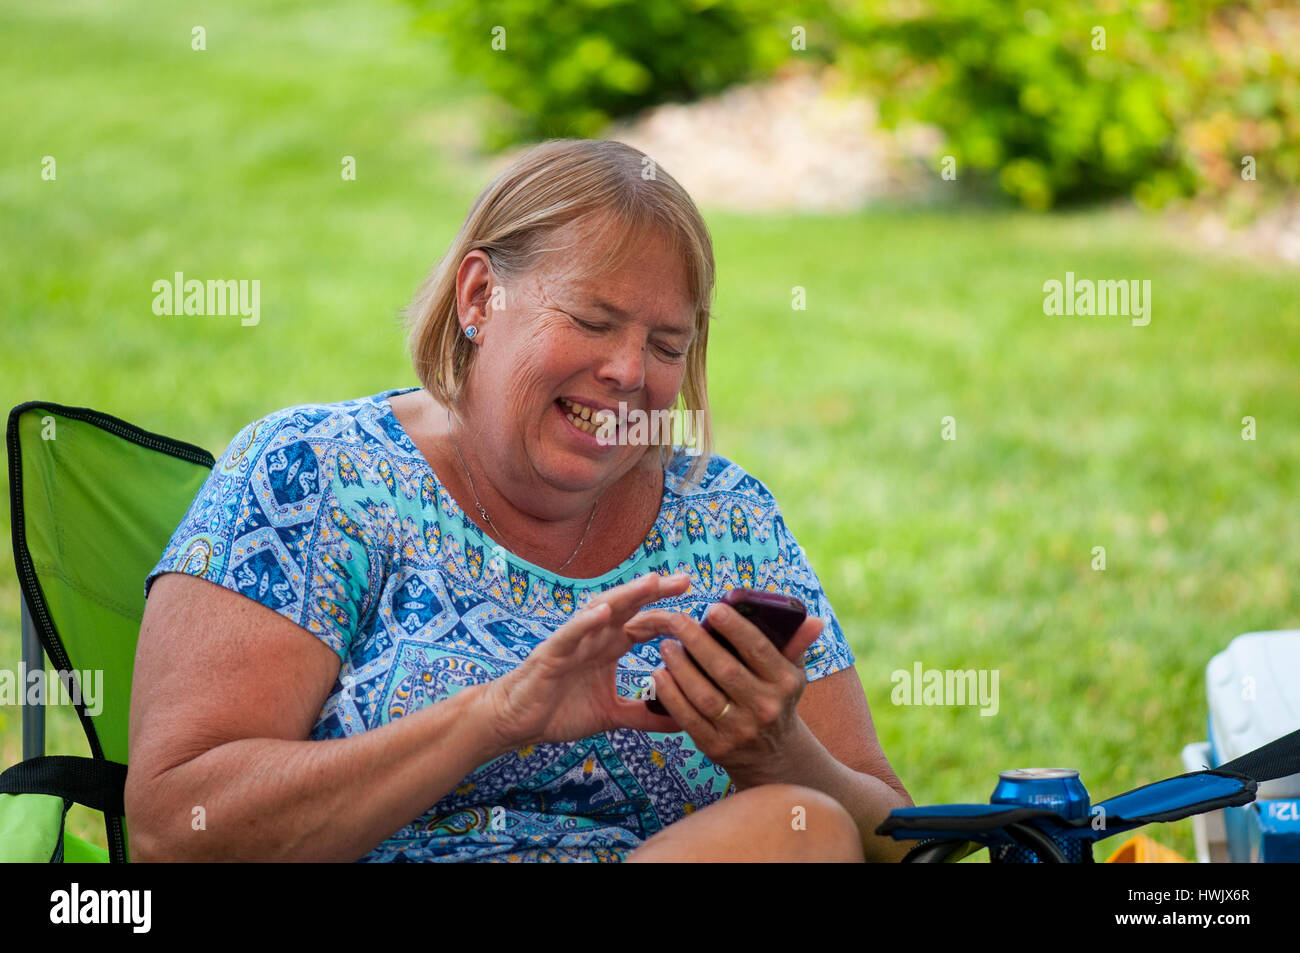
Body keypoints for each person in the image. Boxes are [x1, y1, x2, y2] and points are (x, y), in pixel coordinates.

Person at [125, 138, 913, 862]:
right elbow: (175, 825)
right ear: (478, 298)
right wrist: (494, 716)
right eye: (592, 320)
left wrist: (776, 752)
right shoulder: (315, 474)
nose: (630, 372)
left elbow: (900, 841)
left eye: (667, 345)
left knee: (792, 834)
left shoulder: (726, 518)